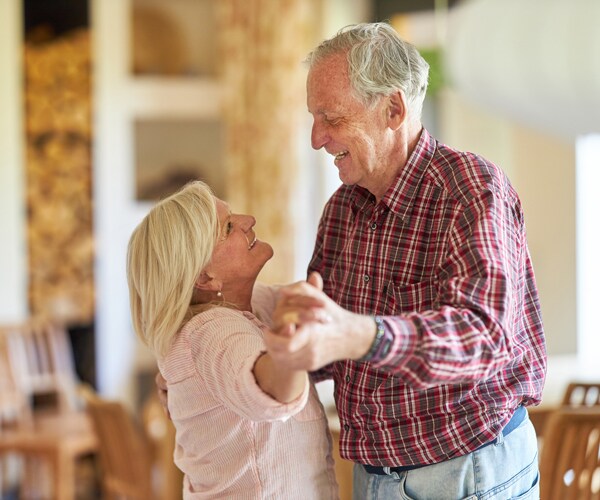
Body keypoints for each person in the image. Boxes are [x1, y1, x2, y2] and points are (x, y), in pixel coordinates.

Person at [263, 22, 547, 499]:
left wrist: (359, 335)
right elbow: (319, 337)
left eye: (331, 118)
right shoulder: (343, 209)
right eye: (314, 118)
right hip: (374, 476)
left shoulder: (470, 190)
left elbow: (483, 337)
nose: (317, 138)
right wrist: (210, 367)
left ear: (393, 109)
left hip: (467, 471)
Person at [127, 180, 339, 499]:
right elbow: (272, 390)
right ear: (204, 278)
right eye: (228, 227)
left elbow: (331, 300)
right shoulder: (212, 332)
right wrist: (291, 345)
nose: (248, 220)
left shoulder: (251, 307)